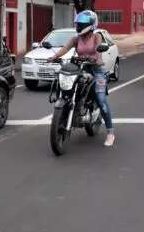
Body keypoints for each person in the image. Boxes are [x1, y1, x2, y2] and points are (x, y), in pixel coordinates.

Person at [47, 10, 115, 147]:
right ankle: (70, 110)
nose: (78, 26)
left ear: (90, 25)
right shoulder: (76, 39)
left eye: (82, 24)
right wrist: (54, 57)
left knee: (101, 100)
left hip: (96, 70)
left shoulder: (97, 37)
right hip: (80, 68)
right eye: (78, 23)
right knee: (68, 87)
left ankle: (110, 133)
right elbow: (65, 49)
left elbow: (97, 49)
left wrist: (94, 57)